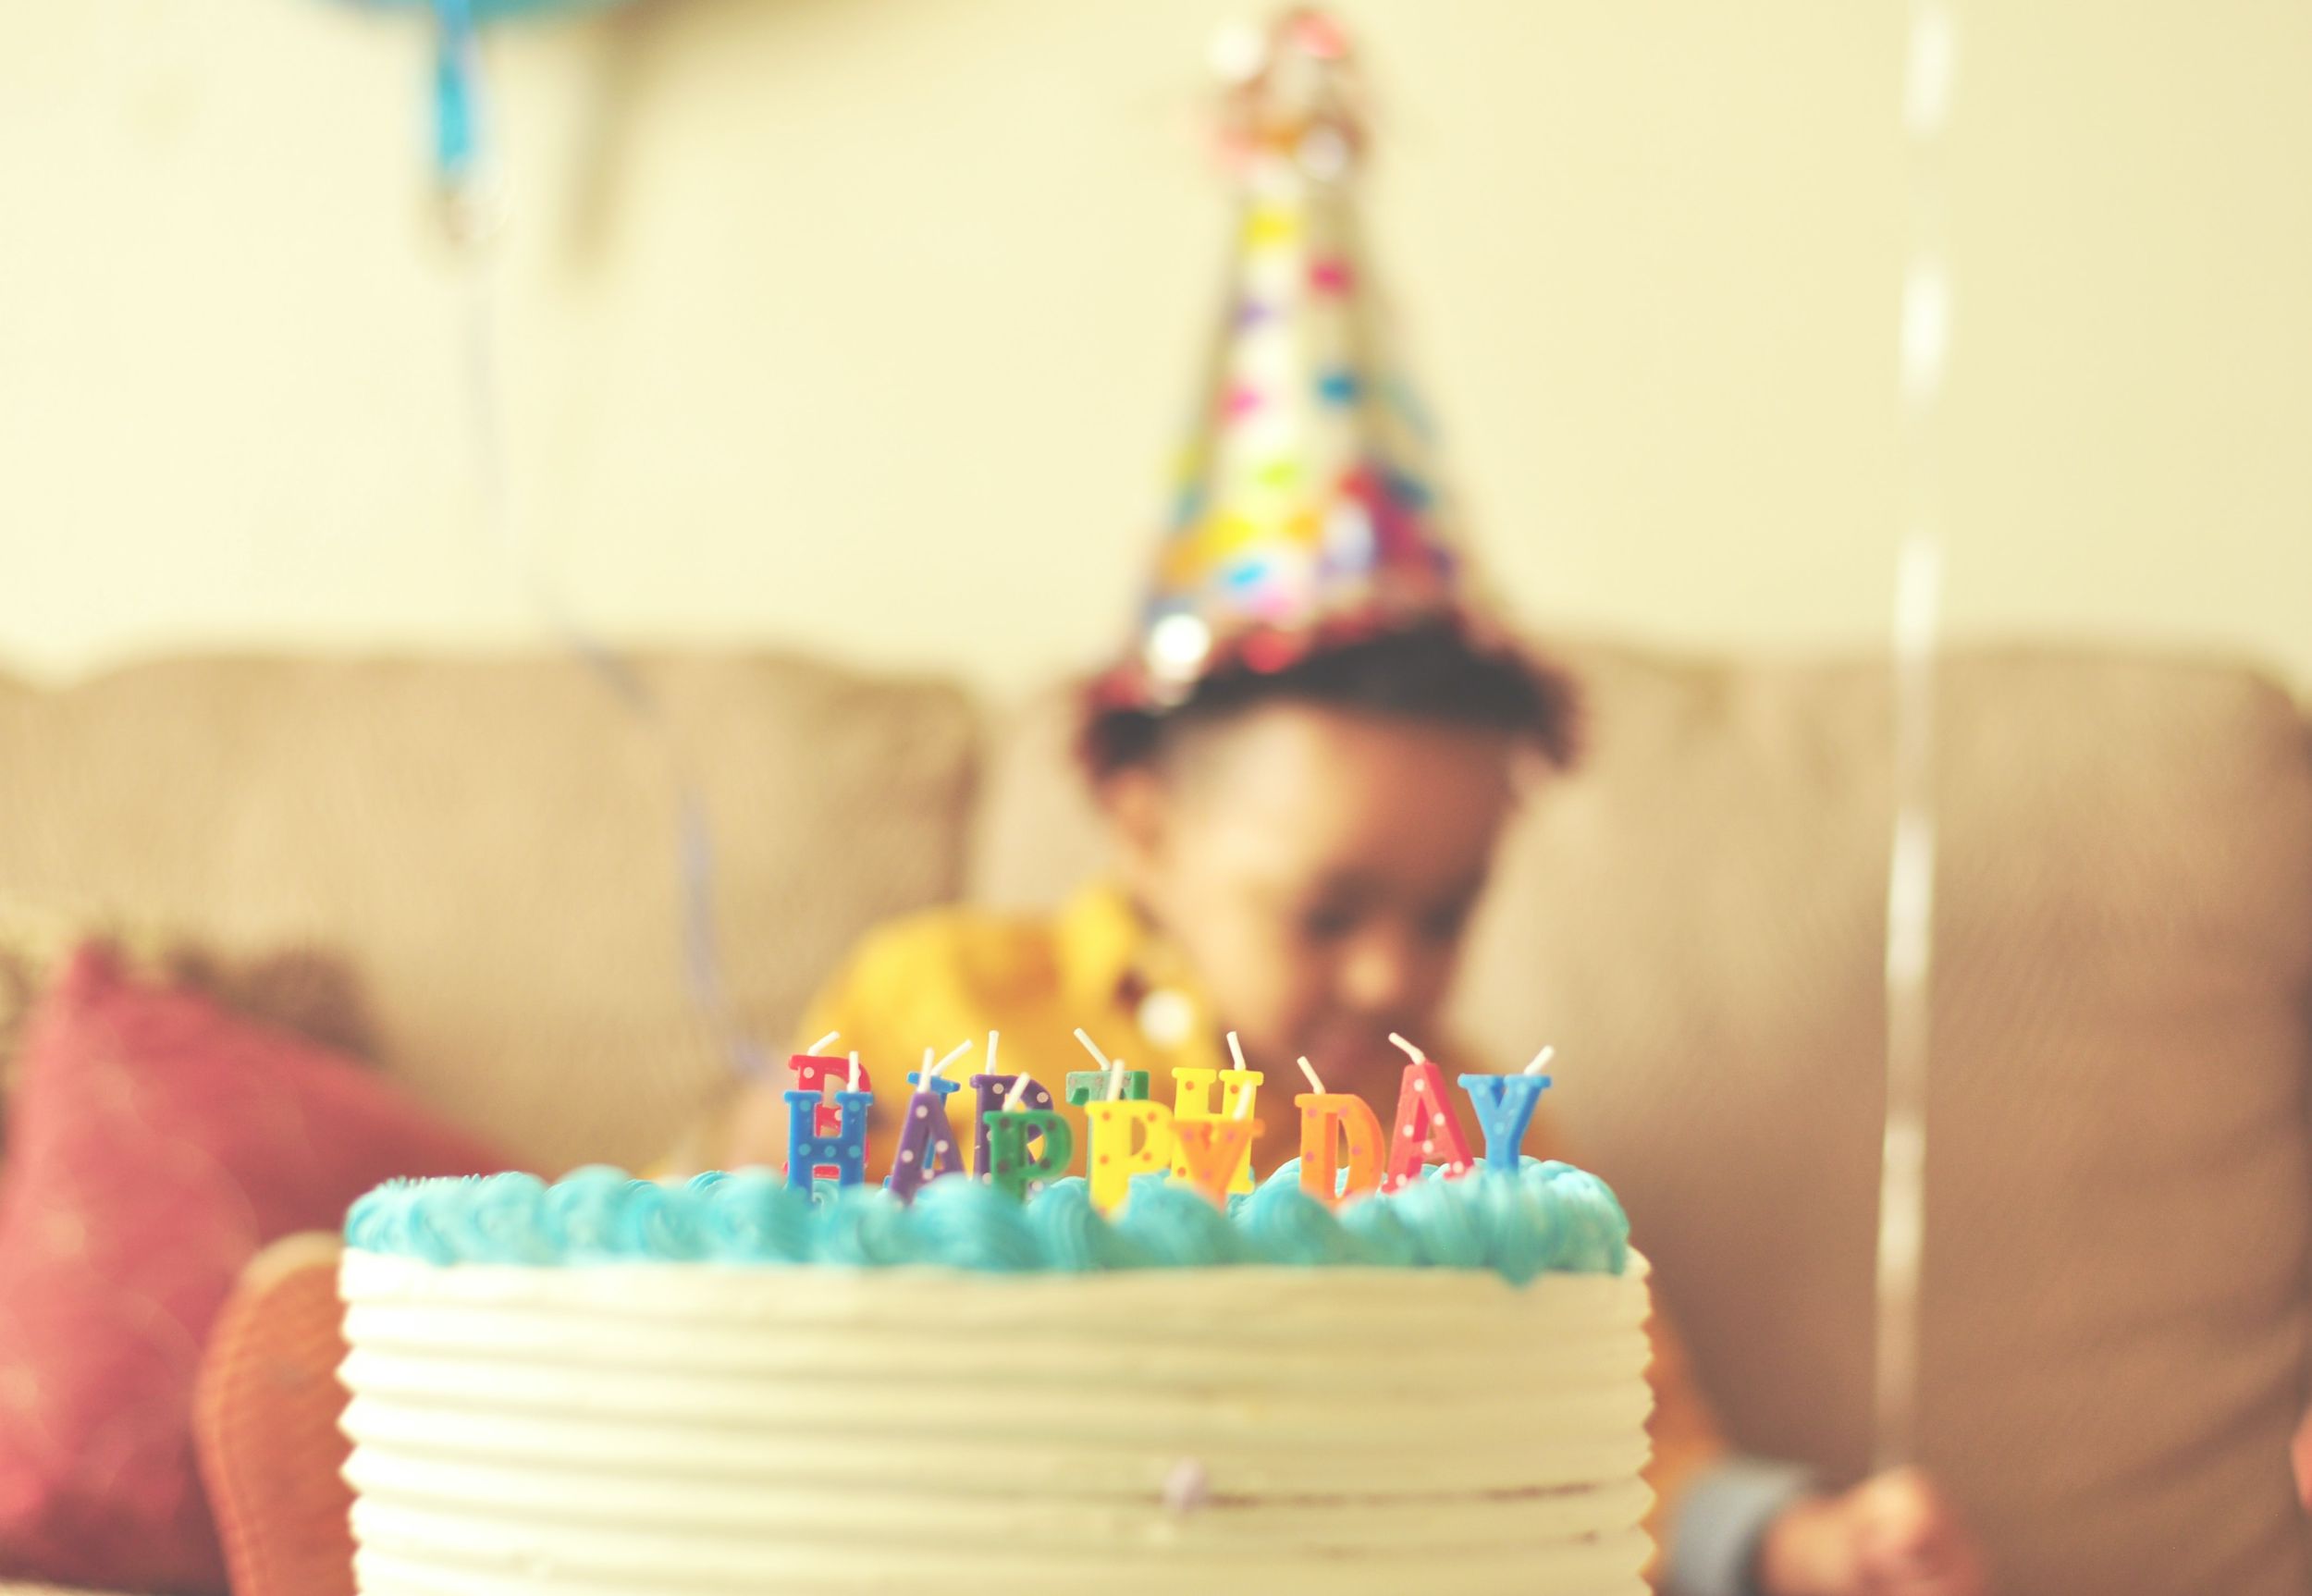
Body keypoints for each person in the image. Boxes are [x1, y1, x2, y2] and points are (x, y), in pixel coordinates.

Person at [677, 18, 1988, 1591]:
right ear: (1147, 831)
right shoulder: (935, 1004)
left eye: (1447, 911)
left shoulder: (1467, 1141)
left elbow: (1624, 1442)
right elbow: (710, 1291)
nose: (1392, 973)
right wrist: (760, 1164)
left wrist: (1788, 1538)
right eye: (1328, 909)